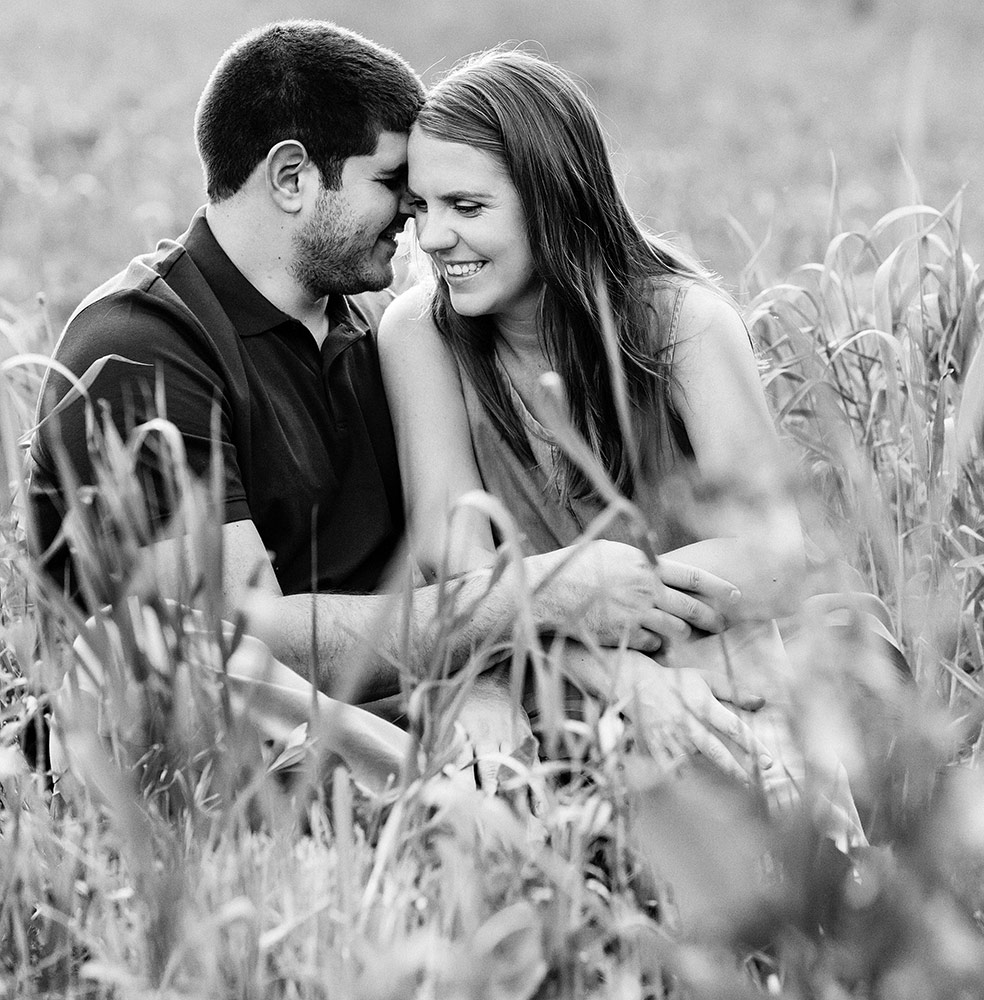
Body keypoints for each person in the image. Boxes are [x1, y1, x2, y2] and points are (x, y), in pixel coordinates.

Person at [26, 22, 741, 788]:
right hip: (254, 734)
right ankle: (466, 808)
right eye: (394, 182)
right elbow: (237, 639)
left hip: (434, 697)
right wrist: (534, 600)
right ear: (292, 177)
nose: (416, 218)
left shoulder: (379, 327)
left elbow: (446, 560)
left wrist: (488, 674)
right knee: (163, 654)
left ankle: (530, 800)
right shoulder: (141, 348)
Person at [380, 48, 868, 823]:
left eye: (466, 208)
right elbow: (461, 574)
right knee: (486, 806)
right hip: (521, 676)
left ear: (553, 198)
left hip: (707, 664)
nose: (433, 237)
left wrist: (590, 603)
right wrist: (617, 668)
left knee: (782, 837)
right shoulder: (418, 333)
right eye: (419, 209)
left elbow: (774, 557)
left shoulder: (683, 323)